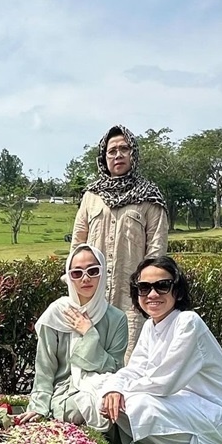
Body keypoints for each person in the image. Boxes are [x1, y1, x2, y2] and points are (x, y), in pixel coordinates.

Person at [99, 256, 222, 444]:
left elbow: (165, 382)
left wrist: (123, 391)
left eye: (162, 286)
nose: (152, 294)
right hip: (186, 405)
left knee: (138, 405)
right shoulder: (151, 326)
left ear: (177, 290)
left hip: (218, 413)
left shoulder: (188, 323)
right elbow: (135, 369)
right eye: (144, 288)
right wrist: (113, 388)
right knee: (113, 401)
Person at [72, 124, 168, 362]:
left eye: (124, 149)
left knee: (130, 362)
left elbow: (157, 250)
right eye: (112, 151)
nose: (118, 155)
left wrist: (147, 288)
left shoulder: (149, 197)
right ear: (103, 158)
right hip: (93, 296)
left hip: (132, 299)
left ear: (133, 154)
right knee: (89, 355)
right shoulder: (91, 197)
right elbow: (78, 244)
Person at [19, 244, 128, 441]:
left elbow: (116, 368)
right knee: (88, 405)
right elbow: (45, 367)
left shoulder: (116, 318)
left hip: (104, 386)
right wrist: (39, 406)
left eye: (93, 271)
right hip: (66, 391)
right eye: (77, 273)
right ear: (69, 277)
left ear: (102, 273)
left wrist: (89, 334)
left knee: (119, 402)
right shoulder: (55, 314)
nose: (85, 278)